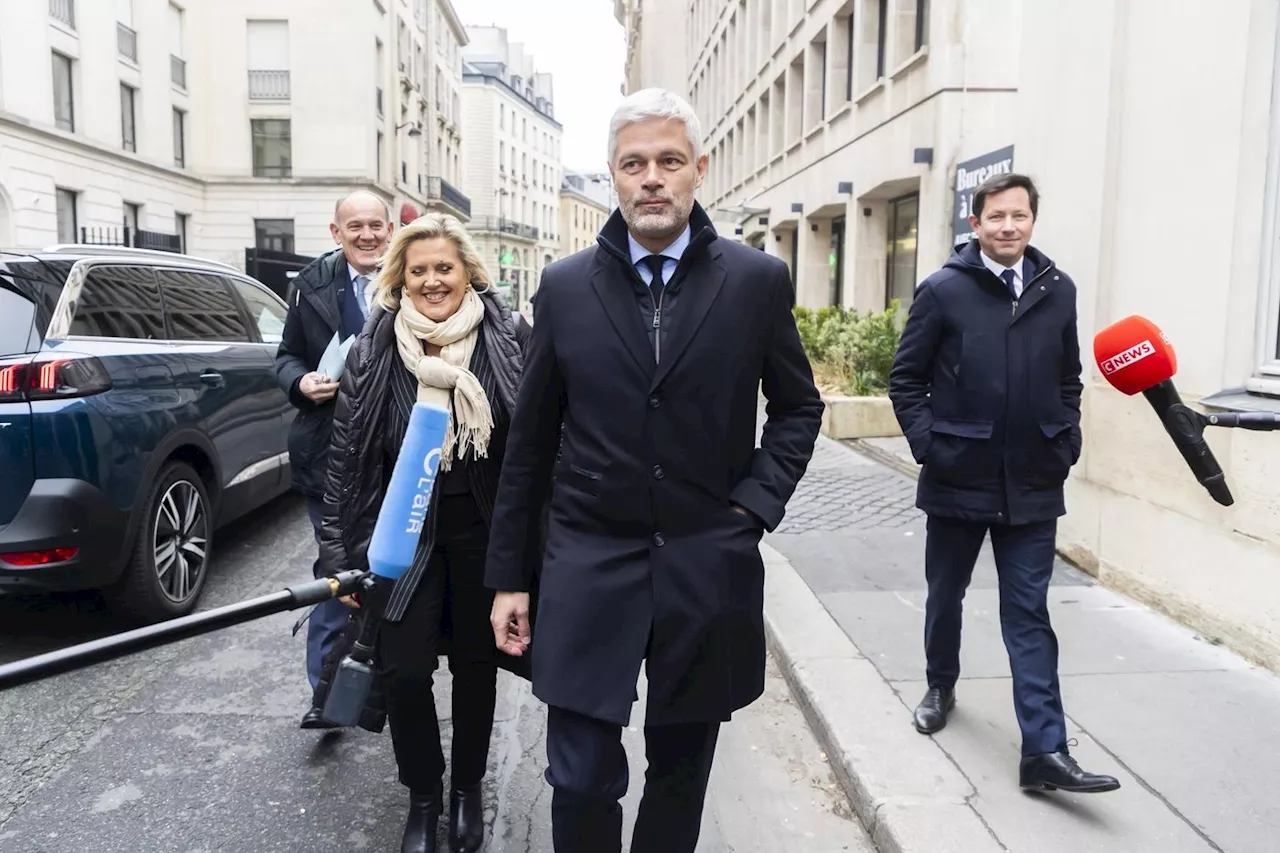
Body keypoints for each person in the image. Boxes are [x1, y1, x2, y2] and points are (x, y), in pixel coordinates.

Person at [485, 88, 824, 853]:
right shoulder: (566, 288)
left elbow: (799, 407)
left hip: (706, 559)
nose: (652, 178)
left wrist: (753, 507)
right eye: (634, 163)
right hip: (586, 558)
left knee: (679, 772)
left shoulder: (755, 280)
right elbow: (530, 443)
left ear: (699, 169)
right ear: (612, 174)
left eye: (669, 161)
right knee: (577, 777)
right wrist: (511, 575)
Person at [887, 173, 1120, 794]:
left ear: (1032, 221)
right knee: (946, 595)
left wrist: (1065, 438)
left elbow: (1069, 376)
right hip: (959, 479)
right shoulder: (942, 291)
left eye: (1019, 215)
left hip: (1034, 483)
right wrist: (931, 446)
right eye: (996, 216)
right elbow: (906, 380)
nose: (1008, 226)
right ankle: (941, 684)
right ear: (976, 223)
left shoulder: (1058, 291)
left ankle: (1044, 750)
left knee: (1028, 614)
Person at [318, 213, 529, 853]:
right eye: (419, 271)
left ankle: (466, 792)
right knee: (404, 672)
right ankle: (423, 795)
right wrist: (337, 556)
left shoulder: (508, 338)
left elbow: (534, 444)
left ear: (468, 272)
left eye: (444, 268)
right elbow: (348, 458)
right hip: (399, 536)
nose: (433, 281)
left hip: (481, 532)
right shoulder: (375, 346)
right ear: (400, 279)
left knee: (475, 668)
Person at [274, 190, 392, 728]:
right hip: (331, 457)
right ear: (335, 232)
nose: (367, 235)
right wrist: (300, 382)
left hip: (400, 458)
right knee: (336, 577)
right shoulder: (310, 286)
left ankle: (393, 683)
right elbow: (286, 358)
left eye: (376, 226)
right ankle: (326, 699)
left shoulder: (417, 272)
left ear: (389, 229)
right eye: (355, 227)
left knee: (399, 577)